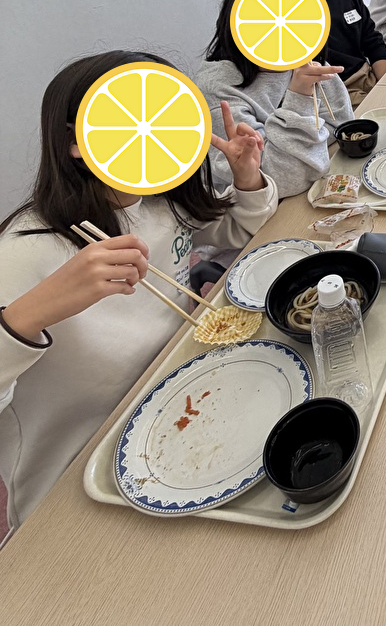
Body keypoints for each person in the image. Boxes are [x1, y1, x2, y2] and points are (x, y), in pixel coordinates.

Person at [0, 51, 278, 537]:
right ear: (76, 144)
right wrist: (26, 317)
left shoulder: (159, 201)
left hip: (179, 415)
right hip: (73, 478)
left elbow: (236, 232)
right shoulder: (25, 250)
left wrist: (247, 176)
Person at [198, 0, 355, 198]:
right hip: (260, 211)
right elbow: (275, 182)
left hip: (314, 188)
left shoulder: (302, 60)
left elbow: (343, 129)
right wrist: (299, 99)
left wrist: (304, 148)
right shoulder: (218, 89)